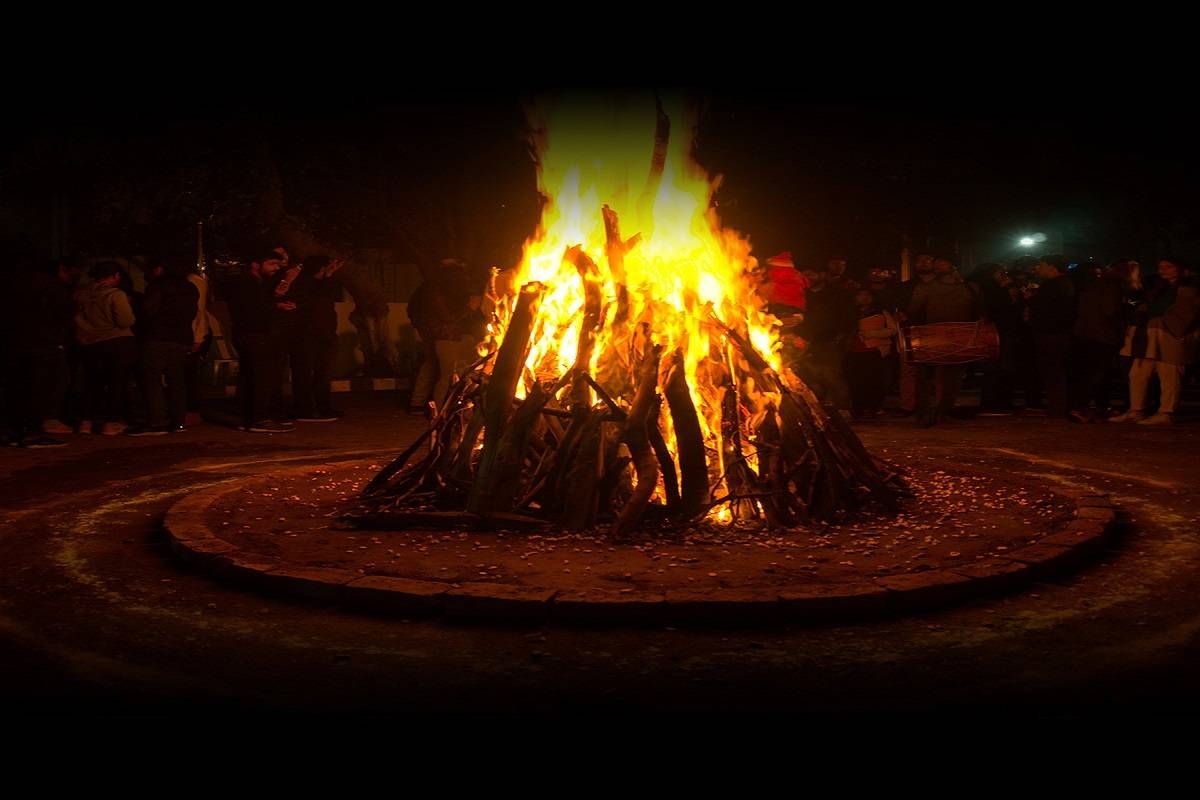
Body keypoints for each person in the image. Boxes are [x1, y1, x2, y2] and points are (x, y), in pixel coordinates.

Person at [1112, 258, 1199, 425]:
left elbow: (1184, 314)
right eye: (1161, 267)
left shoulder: (1190, 288)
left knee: (1170, 375)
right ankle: (1136, 409)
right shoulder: (1160, 287)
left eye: (1168, 267)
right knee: (1138, 373)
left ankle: (1166, 412)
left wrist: (1150, 314)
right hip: (1150, 335)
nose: (1163, 270)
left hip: (1171, 337)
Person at [1, 259, 75, 447]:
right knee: (41, 389)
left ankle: (12, 430)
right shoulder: (53, 288)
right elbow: (63, 316)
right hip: (45, 345)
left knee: (17, 388)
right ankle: (33, 432)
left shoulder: (11, 285)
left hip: (15, 344)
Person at [123, 260, 199, 435]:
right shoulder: (190, 287)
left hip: (157, 337)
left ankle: (157, 421)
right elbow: (192, 312)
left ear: (160, 269)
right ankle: (178, 421)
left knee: (153, 381)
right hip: (182, 338)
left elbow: (148, 311)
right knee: (177, 380)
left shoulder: (157, 286)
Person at [907, 256, 980, 427]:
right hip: (931, 337)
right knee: (924, 377)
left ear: (954, 264)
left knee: (953, 378)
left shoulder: (970, 288)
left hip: (960, 337)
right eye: (936, 263)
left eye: (942, 261)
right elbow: (913, 312)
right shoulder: (925, 288)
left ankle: (944, 411)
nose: (937, 265)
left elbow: (978, 312)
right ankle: (923, 414)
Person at [227, 247, 294, 433]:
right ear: (256, 265)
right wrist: (276, 306)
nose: (275, 268)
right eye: (271, 263)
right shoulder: (246, 283)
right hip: (253, 335)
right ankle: (259, 419)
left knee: (253, 376)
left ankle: (250, 418)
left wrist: (276, 297)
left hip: (253, 334)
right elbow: (251, 311)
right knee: (259, 377)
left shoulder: (258, 282)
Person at [1069, 259, 1139, 423]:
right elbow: (1111, 310)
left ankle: (1093, 406)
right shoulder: (1113, 286)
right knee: (1098, 373)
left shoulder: (1093, 285)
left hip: (1085, 333)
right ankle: (1083, 408)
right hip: (1103, 334)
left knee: (1091, 372)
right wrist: (1127, 312)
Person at [74, 261, 138, 435]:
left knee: (92, 383)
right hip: (116, 343)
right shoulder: (115, 295)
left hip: (89, 344)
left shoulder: (80, 295)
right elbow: (126, 321)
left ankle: (85, 422)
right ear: (115, 276)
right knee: (117, 383)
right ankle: (111, 422)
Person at [408, 258, 473, 415]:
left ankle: (417, 403)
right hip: (444, 335)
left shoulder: (431, 287)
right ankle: (439, 408)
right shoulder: (438, 290)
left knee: (431, 364)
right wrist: (469, 308)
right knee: (447, 373)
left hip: (436, 333)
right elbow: (448, 317)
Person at [290, 254, 344, 421]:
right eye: (327, 266)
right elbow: (314, 301)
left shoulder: (324, 284)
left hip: (325, 335)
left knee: (323, 373)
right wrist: (327, 277)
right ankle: (305, 409)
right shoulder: (302, 283)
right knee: (304, 373)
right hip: (307, 335)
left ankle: (323, 406)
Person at [794, 264, 856, 408]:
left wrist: (840, 336)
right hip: (804, 343)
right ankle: (816, 411)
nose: (807, 278)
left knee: (832, 376)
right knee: (808, 378)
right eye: (804, 275)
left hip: (828, 342)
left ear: (821, 275)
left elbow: (846, 317)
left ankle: (842, 409)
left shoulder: (836, 294)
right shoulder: (800, 294)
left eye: (811, 274)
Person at [1026, 255, 1076, 419]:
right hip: (1057, 333)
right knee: (1055, 370)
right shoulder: (1065, 284)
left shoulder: (1053, 285)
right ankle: (1058, 406)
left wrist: (1031, 303)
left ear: (1052, 267)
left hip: (1051, 334)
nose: (1037, 269)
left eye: (1041, 265)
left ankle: (1057, 408)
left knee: (1053, 370)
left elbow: (1044, 309)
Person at [890, 254, 936, 416]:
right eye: (920, 260)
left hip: (937, 331)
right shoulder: (905, 287)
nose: (924, 262)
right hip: (911, 331)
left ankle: (937, 405)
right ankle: (908, 406)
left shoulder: (943, 286)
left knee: (938, 370)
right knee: (909, 369)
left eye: (928, 259)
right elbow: (897, 309)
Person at [843, 287, 899, 418]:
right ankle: (858, 407)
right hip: (854, 351)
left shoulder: (880, 312)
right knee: (856, 381)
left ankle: (874, 407)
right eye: (860, 295)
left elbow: (893, 330)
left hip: (874, 351)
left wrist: (872, 334)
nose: (864, 297)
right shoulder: (850, 312)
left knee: (874, 380)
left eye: (867, 294)